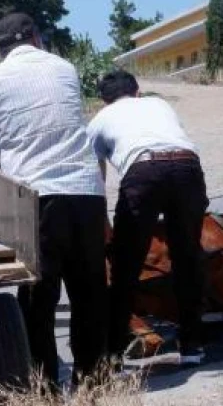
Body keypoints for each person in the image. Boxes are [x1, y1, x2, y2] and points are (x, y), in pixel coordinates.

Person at [0, 12, 109, 391]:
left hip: (37, 197)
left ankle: (44, 388)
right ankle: (91, 382)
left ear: (0, 49)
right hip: (85, 192)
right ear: (37, 39)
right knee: (88, 294)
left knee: (38, 295)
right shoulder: (65, 68)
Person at [87, 70, 208, 365]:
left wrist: (104, 225)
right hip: (187, 166)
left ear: (104, 100)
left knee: (125, 264)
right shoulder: (159, 104)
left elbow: (95, 179)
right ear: (137, 91)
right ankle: (192, 344)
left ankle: (114, 352)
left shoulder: (99, 120)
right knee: (188, 257)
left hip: (143, 172)